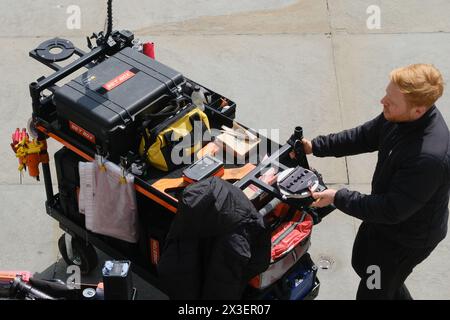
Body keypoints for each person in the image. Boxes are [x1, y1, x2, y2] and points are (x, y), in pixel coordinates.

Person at [302, 64, 450, 299]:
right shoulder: (400, 115)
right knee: (363, 263)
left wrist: (337, 197)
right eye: (386, 94)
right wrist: (315, 146)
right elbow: (365, 136)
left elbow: (391, 210)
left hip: (406, 239)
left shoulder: (428, 158)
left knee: (374, 291)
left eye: (390, 101)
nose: (383, 101)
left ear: (418, 111)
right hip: (386, 224)